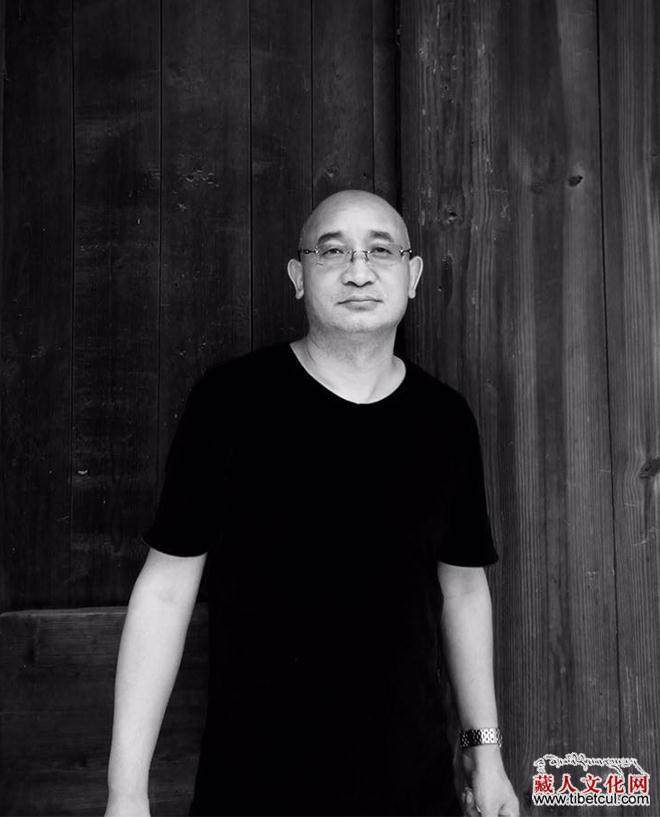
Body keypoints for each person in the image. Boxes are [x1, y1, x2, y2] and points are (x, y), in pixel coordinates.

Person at [104, 190, 519, 817]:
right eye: (332, 252)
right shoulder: (231, 403)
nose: (358, 271)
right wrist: (126, 792)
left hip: (411, 785)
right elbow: (165, 591)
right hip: (254, 786)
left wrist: (484, 752)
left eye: (380, 251)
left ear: (412, 275)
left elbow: (463, 589)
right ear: (298, 276)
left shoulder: (445, 420)